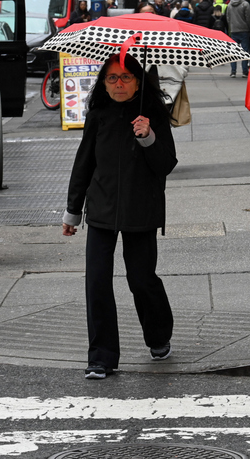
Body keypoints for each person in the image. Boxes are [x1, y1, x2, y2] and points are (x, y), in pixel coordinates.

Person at [63, 54, 177, 379]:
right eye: (112, 78)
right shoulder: (98, 115)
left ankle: (158, 335)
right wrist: (72, 212)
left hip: (141, 209)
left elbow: (166, 164)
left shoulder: (152, 114)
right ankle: (101, 357)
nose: (119, 84)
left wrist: (147, 137)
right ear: (103, 83)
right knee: (97, 281)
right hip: (101, 209)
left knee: (141, 280)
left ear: (138, 82)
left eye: (126, 77)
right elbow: (84, 163)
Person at [226, 0, 250, 78]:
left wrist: (231, 26)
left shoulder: (230, 4)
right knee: (244, 51)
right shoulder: (245, 4)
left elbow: (228, 17)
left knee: (233, 52)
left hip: (234, 30)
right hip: (244, 30)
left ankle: (233, 71)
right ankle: (244, 71)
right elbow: (249, 18)